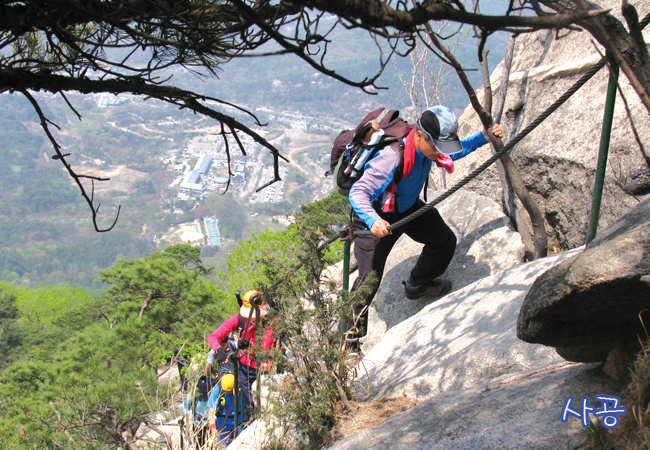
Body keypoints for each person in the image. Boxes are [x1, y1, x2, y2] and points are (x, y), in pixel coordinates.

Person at [346, 105, 503, 345]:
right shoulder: (390, 156)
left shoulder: (427, 147)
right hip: (378, 217)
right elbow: (358, 191)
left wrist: (484, 137)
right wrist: (373, 220)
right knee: (368, 282)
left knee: (444, 241)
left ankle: (417, 284)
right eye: (436, 147)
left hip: (406, 206)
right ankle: (349, 342)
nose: (439, 153)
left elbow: (452, 154)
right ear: (419, 135)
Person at [207, 290, 275, 410]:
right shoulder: (239, 320)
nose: (252, 318)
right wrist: (218, 349)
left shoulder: (273, 321)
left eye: (254, 316)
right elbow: (213, 337)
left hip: (269, 367)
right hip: (246, 368)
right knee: (250, 406)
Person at [207, 373, 248, 446]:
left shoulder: (242, 388)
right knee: (225, 445)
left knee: (242, 445)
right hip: (224, 423)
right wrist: (213, 428)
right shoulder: (217, 390)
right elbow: (211, 412)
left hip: (240, 420)